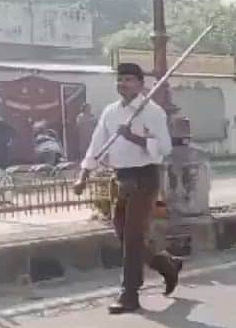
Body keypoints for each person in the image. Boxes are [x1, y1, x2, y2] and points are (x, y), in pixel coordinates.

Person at [73, 63, 182, 315]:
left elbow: (164, 149)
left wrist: (134, 137)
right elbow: (96, 145)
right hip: (121, 178)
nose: (122, 83)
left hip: (144, 178)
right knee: (124, 235)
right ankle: (166, 264)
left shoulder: (152, 112)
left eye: (129, 79)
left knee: (133, 236)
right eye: (120, 79)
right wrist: (83, 175)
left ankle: (129, 293)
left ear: (140, 84)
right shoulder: (110, 112)